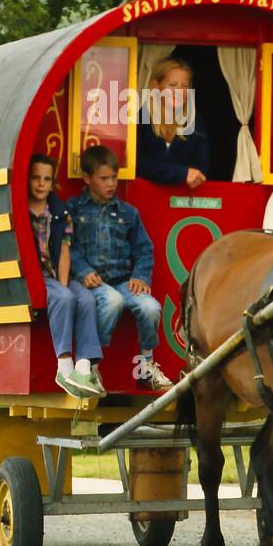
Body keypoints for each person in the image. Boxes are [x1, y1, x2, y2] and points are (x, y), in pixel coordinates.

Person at [68, 145, 173, 391]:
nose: (111, 184)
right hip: (94, 283)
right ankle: (92, 365)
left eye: (114, 178)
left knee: (150, 306)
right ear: (87, 178)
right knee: (113, 301)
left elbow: (144, 249)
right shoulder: (74, 208)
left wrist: (140, 276)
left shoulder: (128, 212)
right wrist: (82, 270)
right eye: (103, 178)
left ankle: (146, 364)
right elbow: (66, 247)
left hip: (123, 279)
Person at [28, 154, 104, 401]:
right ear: (28, 180)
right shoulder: (20, 209)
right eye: (36, 178)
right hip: (33, 275)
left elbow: (64, 251)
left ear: (53, 183)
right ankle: (64, 365)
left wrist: (63, 286)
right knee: (63, 297)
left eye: (46, 179)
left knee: (84, 298)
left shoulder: (59, 212)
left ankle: (83, 366)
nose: (41, 184)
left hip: (55, 274)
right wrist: (61, 292)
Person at [137, 56, 210, 188]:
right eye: (172, 85)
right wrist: (182, 173)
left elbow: (200, 167)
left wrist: (186, 174)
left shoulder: (194, 120)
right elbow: (137, 163)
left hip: (182, 199)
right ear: (155, 86)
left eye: (184, 86)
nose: (178, 91)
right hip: (144, 197)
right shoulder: (141, 117)